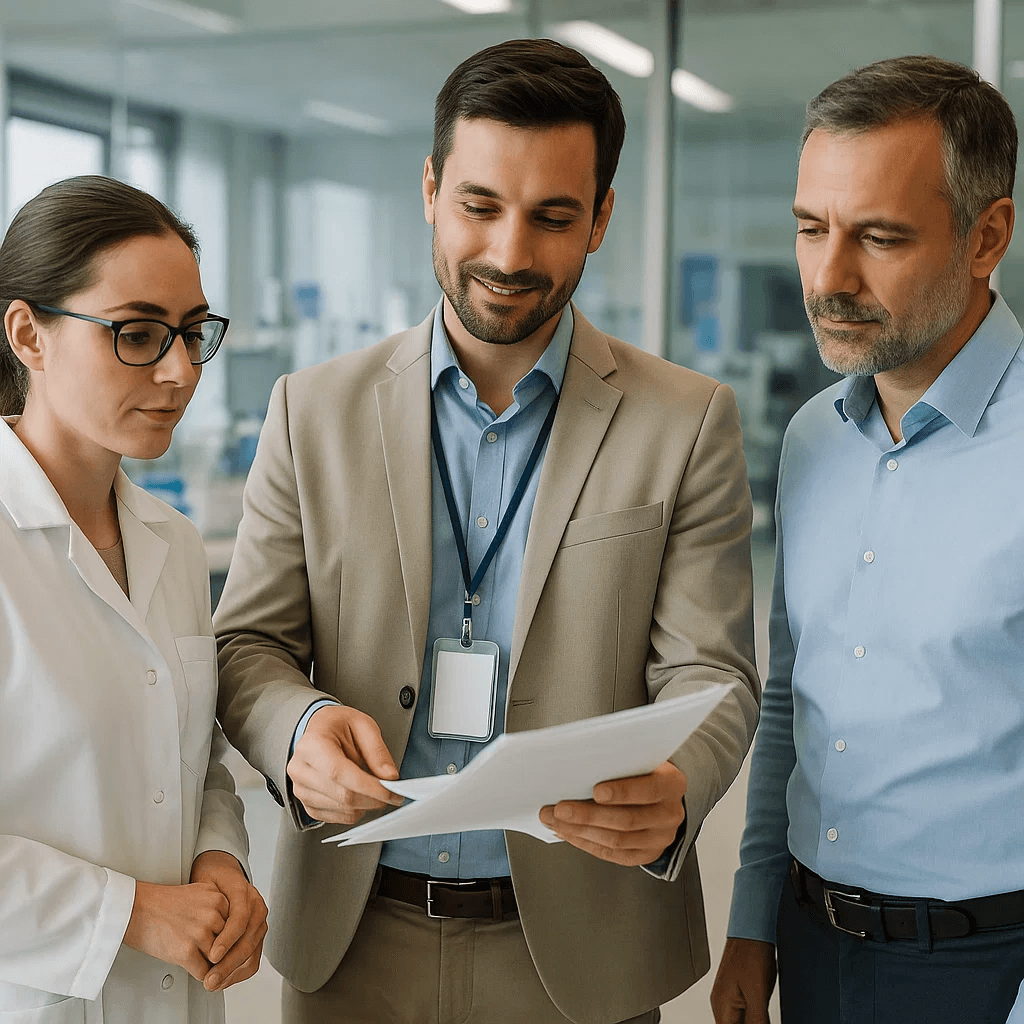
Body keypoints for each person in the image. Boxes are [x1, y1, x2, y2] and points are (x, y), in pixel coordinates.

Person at [215, 38, 759, 1024]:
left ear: (598, 220)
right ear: (428, 188)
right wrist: (294, 730)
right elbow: (249, 644)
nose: (509, 254)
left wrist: (678, 783)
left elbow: (714, 675)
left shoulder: (685, 421)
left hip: (581, 953)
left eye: (552, 216)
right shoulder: (311, 410)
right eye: (479, 206)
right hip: (353, 940)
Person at [710, 55, 1024, 1024]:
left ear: (988, 237)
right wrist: (752, 920)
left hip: (984, 971)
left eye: (878, 237)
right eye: (811, 229)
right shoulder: (810, 440)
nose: (828, 278)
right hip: (810, 950)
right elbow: (787, 706)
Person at [0, 175, 268, 1024]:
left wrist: (220, 861)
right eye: (139, 334)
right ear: (27, 334)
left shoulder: (175, 545)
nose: (180, 370)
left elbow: (191, 763)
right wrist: (132, 912)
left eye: (192, 334)